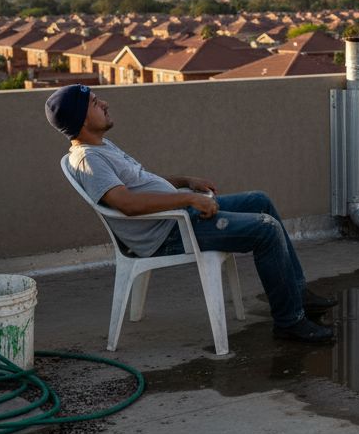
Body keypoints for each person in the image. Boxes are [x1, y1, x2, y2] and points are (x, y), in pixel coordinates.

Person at [45, 84, 336, 343]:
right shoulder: (88, 159)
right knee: (266, 230)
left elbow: (143, 183)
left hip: (178, 214)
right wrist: (189, 199)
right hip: (169, 232)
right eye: (96, 103)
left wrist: (186, 182)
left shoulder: (103, 146)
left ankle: (296, 294)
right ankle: (290, 321)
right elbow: (127, 203)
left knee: (259, 200)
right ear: (81, 119)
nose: (105, 104)